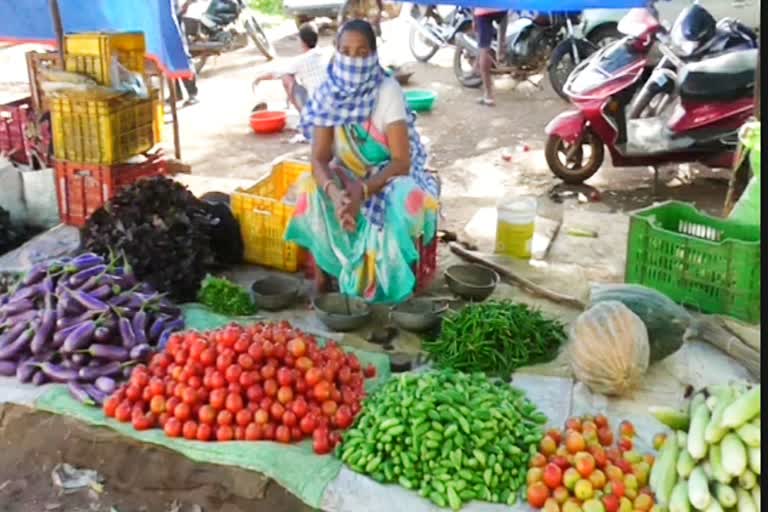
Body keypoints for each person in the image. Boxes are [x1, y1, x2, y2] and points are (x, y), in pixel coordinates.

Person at [284, 20, 439, 304]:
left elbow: (401, 162)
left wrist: (364, 191)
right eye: (346, 51)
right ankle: (323, 277)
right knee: (309, 186)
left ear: (373, 55)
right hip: (346, 176)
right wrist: (336, 192)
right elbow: (318, 158)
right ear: (336, 53)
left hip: (387, 176)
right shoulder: (328, 91)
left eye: (361, 52)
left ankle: (386, 285)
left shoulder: (386, 90)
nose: (352, 61)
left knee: (405, 197)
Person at [252, 23, 327, 114]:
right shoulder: (325, 54)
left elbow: (276, 73)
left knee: (286, 77)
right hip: (333, 103)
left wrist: (259, 78)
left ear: (302, 41)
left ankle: (304, 117)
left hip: (317, 108)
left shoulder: (301, 61)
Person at [474, 8, 507, 106]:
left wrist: (474, 18)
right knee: (502, 42)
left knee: (484, 48)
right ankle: (501, 55)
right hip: (502, 8)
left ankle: (488, 95)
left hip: (483, 10)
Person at [172, 0, 199, 106]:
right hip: (164, 20)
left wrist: (187, 3)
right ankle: (176, 93)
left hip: (174, 18)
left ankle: (192, 94)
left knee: (181, 56)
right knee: (168, 57)